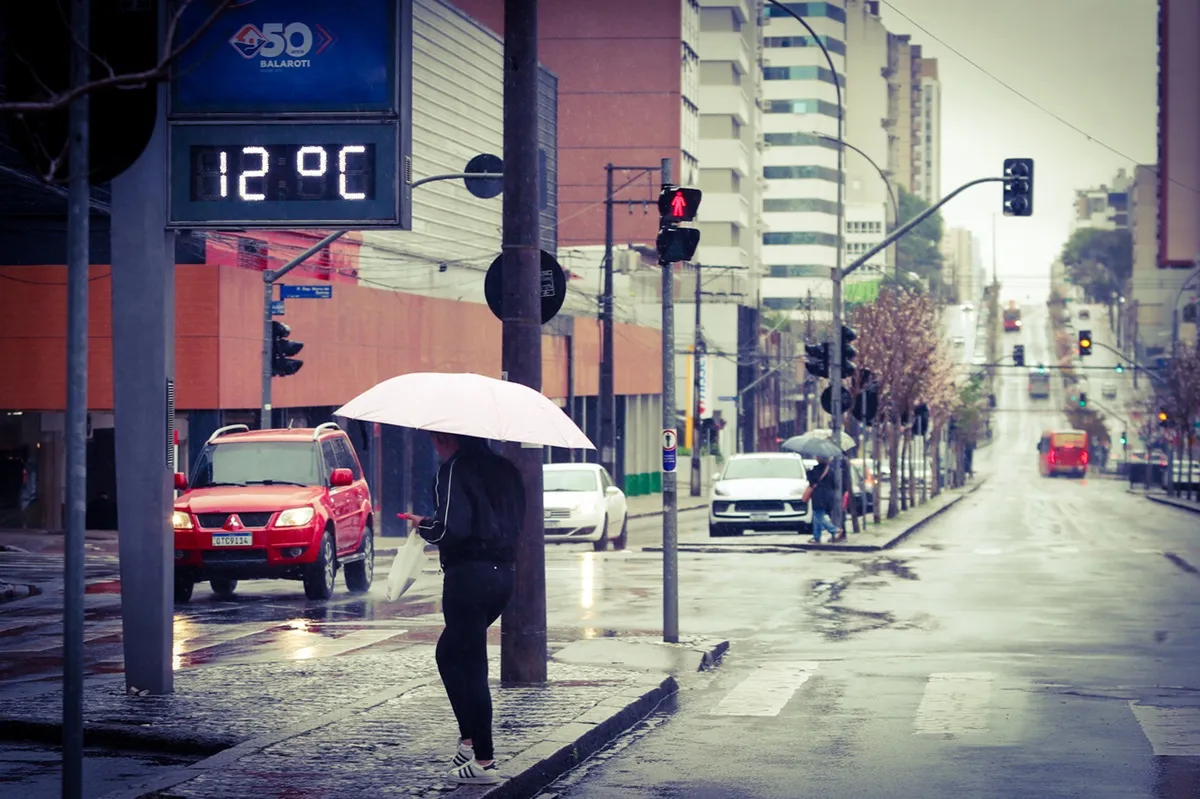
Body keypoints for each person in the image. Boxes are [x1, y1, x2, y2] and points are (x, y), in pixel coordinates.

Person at [405, 432, 525, 785]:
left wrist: (423, 525)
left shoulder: (453, 470)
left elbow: (451, 531)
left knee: (471, 663)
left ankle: (484, 761)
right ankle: (470, 739)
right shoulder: (507, 469)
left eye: (434, 440)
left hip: (468, 577)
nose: (434, 446)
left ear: (446, 438)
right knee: (451, 653)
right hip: (503, 575)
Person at [805, 456, 842, 543]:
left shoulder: (817, 469)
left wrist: (808, 472)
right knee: (816, 516)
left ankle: (835, 530)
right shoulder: (831, 470)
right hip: (828, 495)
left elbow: (812, 482)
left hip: (819, 495)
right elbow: (834, 483)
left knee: (818, 516)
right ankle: (816, 537)